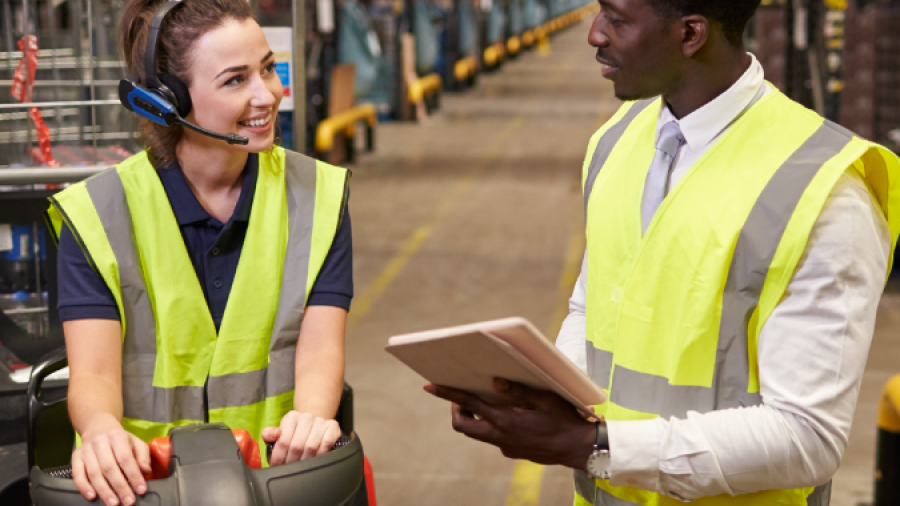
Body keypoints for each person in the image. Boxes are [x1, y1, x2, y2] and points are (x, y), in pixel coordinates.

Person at [425, 0, 900, 504]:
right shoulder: (618, 139)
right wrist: (543, 393)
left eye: (616, 18)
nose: (594, 34)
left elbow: (808, 438)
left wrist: (597, 445)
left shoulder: (823, 191)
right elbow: (593, 307)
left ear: (690, 34)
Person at [46, 1, 353, 505]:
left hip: (273, 480)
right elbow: (93, 375)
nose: (267, 94)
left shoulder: (317, 195)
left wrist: (313, 418)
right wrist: (101, 431)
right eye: (235, 80)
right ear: (167, 101)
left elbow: (320, 349)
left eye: (268, 68)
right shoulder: (99, 214)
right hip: (141, 488)